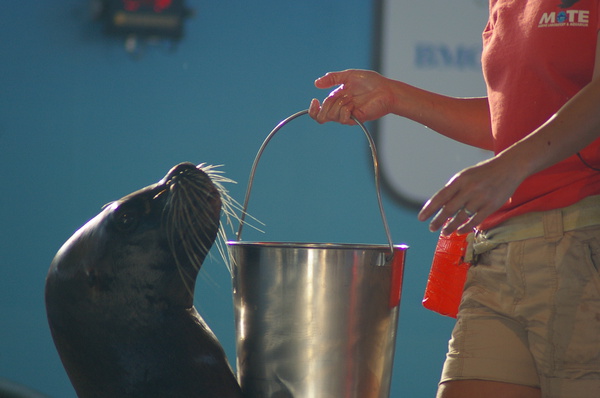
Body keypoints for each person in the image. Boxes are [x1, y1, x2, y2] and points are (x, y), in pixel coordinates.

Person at [309, 1, 600, 397]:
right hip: (498, 251)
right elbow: (509, 121)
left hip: (583, 242)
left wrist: (509, 167)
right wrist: (392, 95)